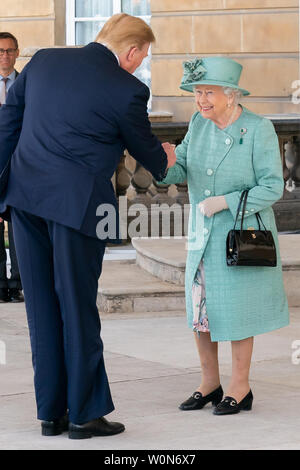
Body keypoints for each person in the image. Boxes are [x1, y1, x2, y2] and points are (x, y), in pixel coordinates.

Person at [0, 13, 176, 439]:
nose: (141, 65)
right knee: (78, 306)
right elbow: (149, 154)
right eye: (143, 57)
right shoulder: (128, 88)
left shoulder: (42, 61)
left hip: (26, 201)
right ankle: (84, 414)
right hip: (82, 211)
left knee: (40, 309)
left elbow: (7, 126)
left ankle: (50, 414)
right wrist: (166, 156)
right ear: (131, 51)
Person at [160, 56, 289, 415]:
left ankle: (240, 386)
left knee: (237, 312)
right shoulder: (199, 126)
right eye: (197, 92)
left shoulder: (258, 128)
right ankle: (209, 383)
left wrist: (225, 202)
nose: (200, 100)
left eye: (208, 92)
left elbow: (273, 186)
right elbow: (180, 169)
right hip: (202, 236)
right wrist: (166, 164)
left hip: (240, 237)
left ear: (231, 95)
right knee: (201, 312)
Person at [0, 32, 23, 303]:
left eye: (9, 50)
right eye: (1, 51)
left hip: (19, 165)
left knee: (19, 227)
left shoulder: (26, 84)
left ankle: (17, 282)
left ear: (17, 53)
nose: (5, 55)